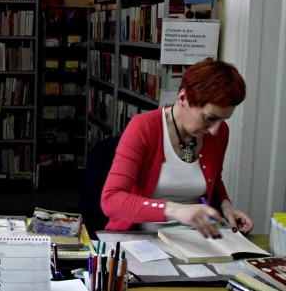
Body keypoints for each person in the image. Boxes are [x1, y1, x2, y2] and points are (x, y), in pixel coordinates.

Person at [100, 58, 254, 238]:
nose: (215, 130)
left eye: (223, 120)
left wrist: (227, 206)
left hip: (196, 238)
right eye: (210, 118)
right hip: (143, 238)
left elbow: (215, 179)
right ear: (183, 98)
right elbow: (111, 200)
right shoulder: (144, 127)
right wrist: (177, 210)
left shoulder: (219, 133)